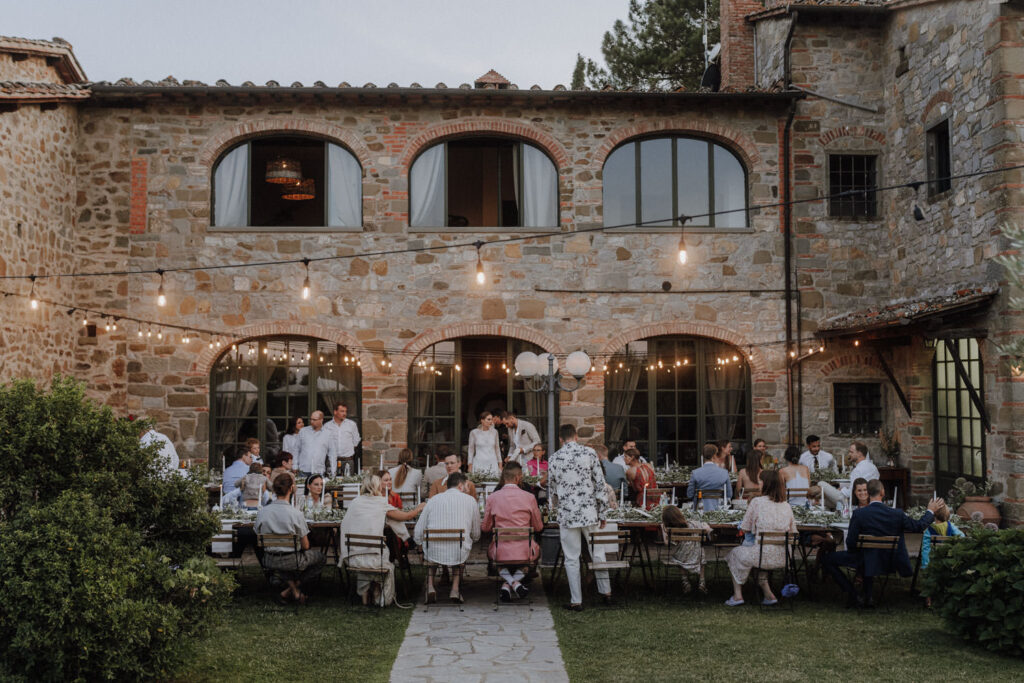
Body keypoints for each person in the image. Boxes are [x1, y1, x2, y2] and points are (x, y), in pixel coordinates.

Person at [824, 480, 943, 608]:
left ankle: (853, 594)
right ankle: (866, 595)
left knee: (827, 559)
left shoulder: (859, 514)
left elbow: (851, 543)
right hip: (890, 560)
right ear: (883, 492)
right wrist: (930, 511)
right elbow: (918, 526)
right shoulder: (897, 514)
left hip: (864, 560)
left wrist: (859, 550)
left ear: (868, 493)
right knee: (867, 555)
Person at [547, 423, 611, 611]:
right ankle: (606, 593)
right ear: (576, 436)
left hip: (567, 514)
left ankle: (576, 600)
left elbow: (552, 489)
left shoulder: (554, 458)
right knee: (597, 553)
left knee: (571, 558)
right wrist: (603, 512)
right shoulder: (590, 454)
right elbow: (600, 484)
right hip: (589, 512)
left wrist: (557, 507)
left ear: (560, 439)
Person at [339, 472, 425, 606]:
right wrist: (418, 508)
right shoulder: (380, 503)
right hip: (375, 559)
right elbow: (405, 516)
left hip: (352, 557)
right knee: (382, 559)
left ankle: (365, 595)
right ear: (377, 487)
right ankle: (380, 596)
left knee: (366, 552)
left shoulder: (355, 502)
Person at [724, 470, 797, 606]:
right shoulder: (786, 505)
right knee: (758, 554)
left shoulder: (757, 502)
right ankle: (769, 595)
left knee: (734, 554)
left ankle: (737, 595)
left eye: (761, 481)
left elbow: (745, 528)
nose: (759, 483)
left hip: (762, 555)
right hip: (784, 556)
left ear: (767, 484)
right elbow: (793, 532)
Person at [255, 473, 326, 605]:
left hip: (269, 559)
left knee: (285, 560)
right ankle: (292, 589)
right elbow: (305, 546)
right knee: (321, 558)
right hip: (292, 560)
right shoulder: (296, 514)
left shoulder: (262, 512)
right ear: (291, 488)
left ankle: (288, 589)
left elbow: (257, 534)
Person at [414, 471, 481, 604]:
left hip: (433, 550)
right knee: (458, 549)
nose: (467, 489)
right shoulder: (471, 501)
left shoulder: (433, 500)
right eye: (466, 486)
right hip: (458, 551)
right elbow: (476, 534)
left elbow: (418, 531)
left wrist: (420, 545)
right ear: (461, 486)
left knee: (432, 549)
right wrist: (472, 538)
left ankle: (430, 586)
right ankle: (455, 589)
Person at [481, 462, 544, 602]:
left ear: (503, 478)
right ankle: (515, 583)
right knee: (530, 558)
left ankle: (508, 584)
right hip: (525, 551)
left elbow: (485, 528)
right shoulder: (529, 497)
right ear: (518, 478)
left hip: (500, 551)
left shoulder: (493, 497)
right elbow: (538, 527)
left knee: (498, 560)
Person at [662, 505, 710, 594]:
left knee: (678, 555)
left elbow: (666, 543)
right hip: (698, 558)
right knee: (701, 553)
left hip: (682, 558)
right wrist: (705, 525)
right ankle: (702, 581)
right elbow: (707, 529)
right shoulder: (693, 524)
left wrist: (662, 528)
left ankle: (685, 581)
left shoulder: (669, 529)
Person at [820, 442, 879, 509]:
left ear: (859, 453)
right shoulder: (874, 467)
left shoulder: (858, 470)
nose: (849, 454)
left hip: (852, 501)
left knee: (821, 484)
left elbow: (851, 492)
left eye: (851, 452)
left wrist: (841, 490)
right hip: (868, 498)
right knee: (826, 500)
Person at [687, 443, 732, 510]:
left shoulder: (695, 473)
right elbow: (729, 495)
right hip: (719, 510)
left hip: (700, 509)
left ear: (703, 456)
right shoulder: (724, 473)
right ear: (714, 456)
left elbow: (689, 494)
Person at [920, 501, 964, 569]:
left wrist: (925, 565)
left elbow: (926, 548)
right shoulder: (951, 526)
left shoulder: (929, 529)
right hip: (948, 559)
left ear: (934, 515)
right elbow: (962, 536)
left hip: (933, 559)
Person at [324, 401, 361, 474]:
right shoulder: (327, 426)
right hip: (332, 460)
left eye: (345, 411)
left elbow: (356, 441)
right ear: (335, 412)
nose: (344, 413)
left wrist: (348, 450)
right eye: (342, 411)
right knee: (332, 483)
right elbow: (324, 443)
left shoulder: (351, 425)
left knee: (349, 483)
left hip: (348, 460)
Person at [297, 410, 334, 479]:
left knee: (318, 489)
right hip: (303, 470)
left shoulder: (328, 434)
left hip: (319, 470)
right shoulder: (303, 431)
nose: (311, 422)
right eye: (311, 419)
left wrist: (333, 471)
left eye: (314, 420)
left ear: (321, 420)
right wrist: (295, 466)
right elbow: (296, 450)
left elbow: (332, 454)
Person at [467, 410, 501, 475]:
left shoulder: (495, 432)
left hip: (492, 462)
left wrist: (500, 464)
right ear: (482, 420)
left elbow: (497, 449)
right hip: (479, 462)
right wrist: (470, 465)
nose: (491, 421)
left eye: (491, 419)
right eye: (488, 419)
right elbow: (471, 450)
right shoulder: (474, 432)